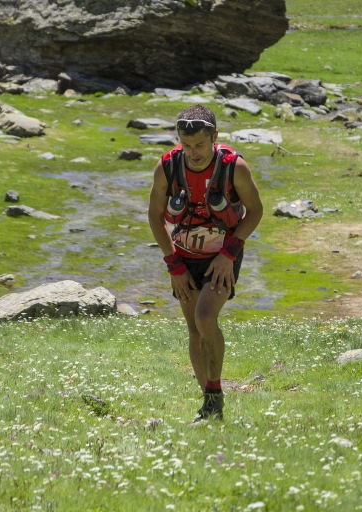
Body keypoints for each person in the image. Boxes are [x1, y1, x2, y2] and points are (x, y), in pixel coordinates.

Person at [147, 104, 263, 423]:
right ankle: (209, 403)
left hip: (222, 255)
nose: (193, 153)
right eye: (186, 145)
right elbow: (155, 217)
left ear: (215, 137)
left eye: (200, 145)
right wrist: (174, 266)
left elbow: (254, 211)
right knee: (193, 330)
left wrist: (229, 255)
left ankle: (214, 393)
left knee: (205, 317)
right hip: (183, 257)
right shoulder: (167, 168)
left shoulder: (234, 167)